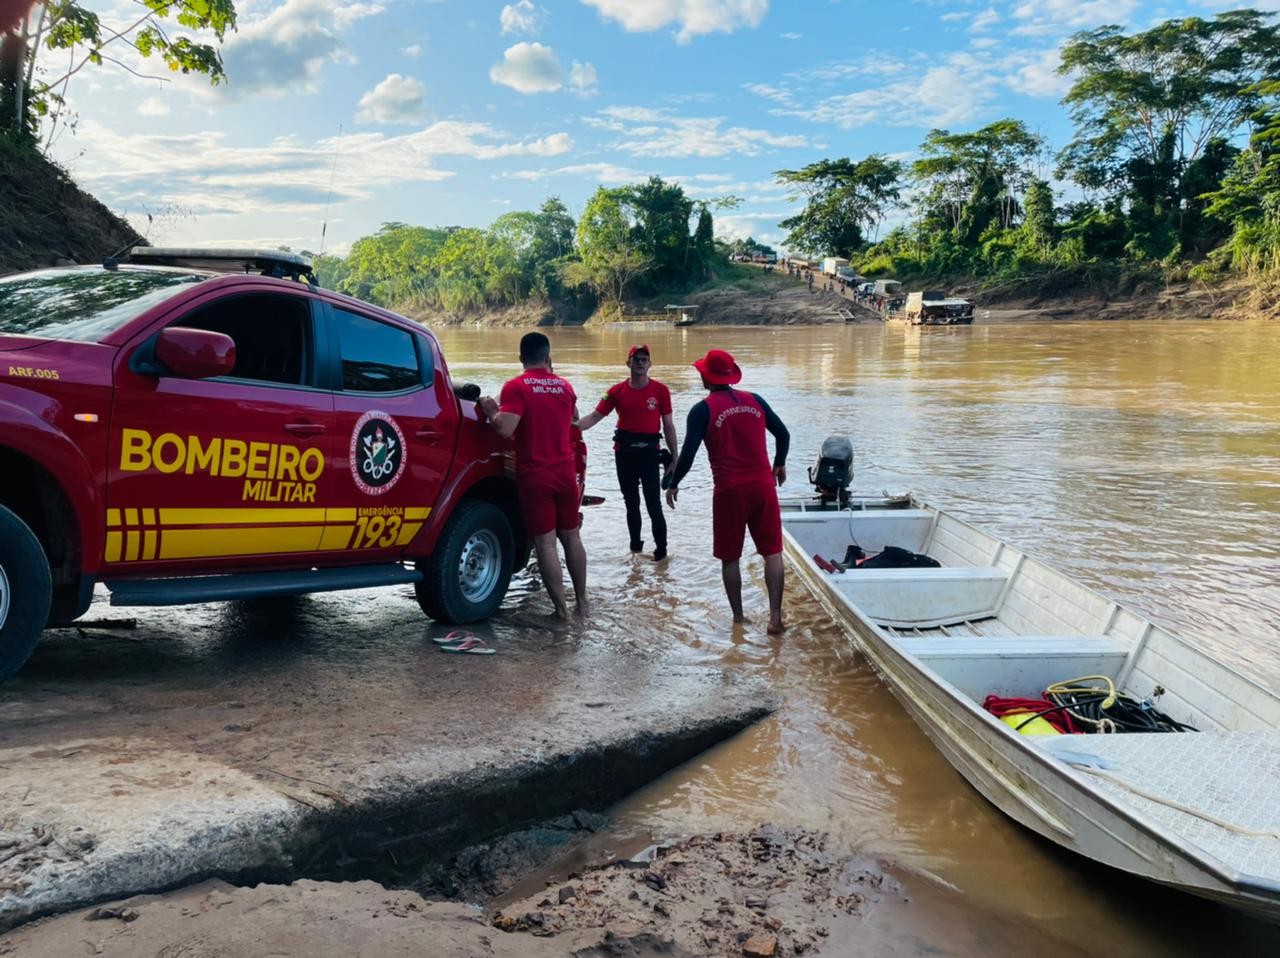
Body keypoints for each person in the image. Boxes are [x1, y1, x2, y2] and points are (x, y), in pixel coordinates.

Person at [665, 349, 790, 634]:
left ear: (704, 377)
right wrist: (779, 463)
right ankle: (775, 618)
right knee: (773, 553)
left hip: (729, 491)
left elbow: (688, 454)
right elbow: (783, 434)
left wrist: (674, 482)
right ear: (731, 376)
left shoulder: (702, 410)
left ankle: (739, 620)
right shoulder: (755, 401)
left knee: (730, 557)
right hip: (763, 486)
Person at [478, 332, 587, 620]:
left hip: (536, 475)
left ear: (521, 358)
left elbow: (505, 429)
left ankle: (562, 612)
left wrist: (491, 412)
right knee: (572, 537)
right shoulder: (565, 387)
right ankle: (583, 603)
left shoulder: (517, 386)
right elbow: (575, 418)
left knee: (546, 543)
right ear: (548, 357)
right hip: (565, 472)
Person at [575, 344, 678, 561]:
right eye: (636, 359)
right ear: (628, 363)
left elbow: (668, 426)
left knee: (653, 505)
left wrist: (675, 459)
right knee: (631, 504)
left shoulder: (661, 391)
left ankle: (662, 555)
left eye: (644, 359)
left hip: (650, 455)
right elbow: (594, 417)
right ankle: (635, 553)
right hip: (624, 455)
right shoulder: (615, 391)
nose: (640, 362)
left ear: (650, 364)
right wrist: (572, 426)